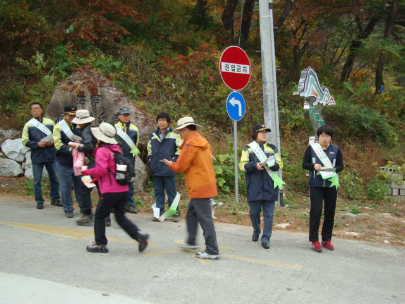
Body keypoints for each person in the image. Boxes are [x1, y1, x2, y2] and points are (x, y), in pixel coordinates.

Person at [83, 122, 149, 253]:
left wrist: (87, 171)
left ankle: (100, 244)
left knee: (99, 216)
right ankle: (139, 236)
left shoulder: (102, 150)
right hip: (123, 189)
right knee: (120, 217)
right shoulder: (116, 149)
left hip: (110, 191)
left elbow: (101, 170)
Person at [162, 117, 219, 260]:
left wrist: (171, 164)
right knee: (192, 215)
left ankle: (212, 250)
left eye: (180, 131)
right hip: (206, 183)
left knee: (205, 219)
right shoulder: (202, 141)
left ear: (184, 129)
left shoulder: (190, 143)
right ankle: (191, 241)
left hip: (198, 185)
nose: (180, 134)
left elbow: (181, 166)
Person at [239, 124, 283, 249]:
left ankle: (266, 238)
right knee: (254, 213)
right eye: (261, 132)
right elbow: (242, 165)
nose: (264, 134)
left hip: (270, 185)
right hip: (254, 186)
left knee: (269, 214)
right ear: (254, 134)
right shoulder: (248, 148)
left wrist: (272, 164)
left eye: (266, 132)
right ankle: (256, 230)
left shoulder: (272, 148)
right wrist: (254, 166)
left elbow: (280, 164)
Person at [302, 125, 344, 252]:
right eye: (322, 136)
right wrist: (313, 166)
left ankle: (327, 239)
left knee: (330, 212)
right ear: (318, 137)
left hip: (331, 184)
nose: (324, 138)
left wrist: (334, 169)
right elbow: (304, 164)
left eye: (327, 136)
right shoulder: (312, 149)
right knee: (316, 211)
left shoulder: (336, 150)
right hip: (316, 184)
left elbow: (341, 166)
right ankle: (314, 240)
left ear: (331, 138)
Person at [22, 102, 61, 209]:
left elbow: (56, 136)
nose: (35, 110)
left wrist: (52, 142)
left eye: (37, 108)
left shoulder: (50, 122)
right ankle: (39, 201)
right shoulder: (28, 125)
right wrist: (36, 144)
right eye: (33, 109)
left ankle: (55, 199)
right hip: (37, 155)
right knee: (37, 180)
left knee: (54, 178)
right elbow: (25, 141)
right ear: (31, 111)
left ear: (41, 110)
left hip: (50, 154)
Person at [147, 112, 182, 221]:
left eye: (163, 120)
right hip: (156, 167)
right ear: (157, 122)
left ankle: (175, 213)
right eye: (159, 120)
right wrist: (150, 161)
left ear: (168, 122)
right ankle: (159, 212)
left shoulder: (174, 134)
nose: (161, 122)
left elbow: (180, 149)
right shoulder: (153, 135)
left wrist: (174, 161)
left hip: (169, 167)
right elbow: (149, 150)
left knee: (172, 192)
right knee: (158, 191)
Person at [53, 104, 83, 218]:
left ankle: (83, 207)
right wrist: (71, 150)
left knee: (80, 185)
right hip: (64, 160)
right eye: (69, 115)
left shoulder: (78, 126)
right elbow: (57, 144)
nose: (71, 117)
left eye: (73, 115)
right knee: (66, 186)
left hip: (78, 161)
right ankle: (68, 208)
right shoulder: (58, 127)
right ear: (64, 115)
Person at [70, 109, 97, 226]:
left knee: (83, 188)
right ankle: (105, 217)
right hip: (102, 163)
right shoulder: (95, 129)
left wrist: (78, 147)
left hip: (95, 164)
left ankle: (87, 214)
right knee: (102, 189)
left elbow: (89, 146)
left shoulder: (86, 131)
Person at [115, 107, 139, 214]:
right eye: (124, 115)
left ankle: (129, 204)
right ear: (119, 116)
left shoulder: (134, 129)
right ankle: (118, 205)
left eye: (127, 115)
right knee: (118, 181)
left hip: (129, 159)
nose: (126, 117)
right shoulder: (114, 128)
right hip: (118, 160)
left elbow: (136, 143)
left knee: (129, 181)